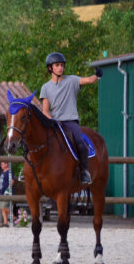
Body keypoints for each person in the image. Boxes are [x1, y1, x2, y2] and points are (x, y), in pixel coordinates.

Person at [39, 52, 102, 185]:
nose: (60, 68)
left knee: (81, 143)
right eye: (57, 65)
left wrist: (97, 75)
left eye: (62, 65)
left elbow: (89, 80)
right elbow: (45, 111)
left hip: (70, 121)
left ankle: (85, 171)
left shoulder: (72, 80)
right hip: (54, 122)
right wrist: (52, 120)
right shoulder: (45, 87)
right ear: (50, 68)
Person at [0, 161, 11, 227]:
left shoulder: (9, 171)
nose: (1, 165)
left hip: (6, 192)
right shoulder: (2, 172)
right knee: (2, 208)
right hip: (1, 192)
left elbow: (12, 181)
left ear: (6, 164)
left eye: (2, 164)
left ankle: (14, 217)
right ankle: (5, 222)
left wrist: (8, 190)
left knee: (4, 207)